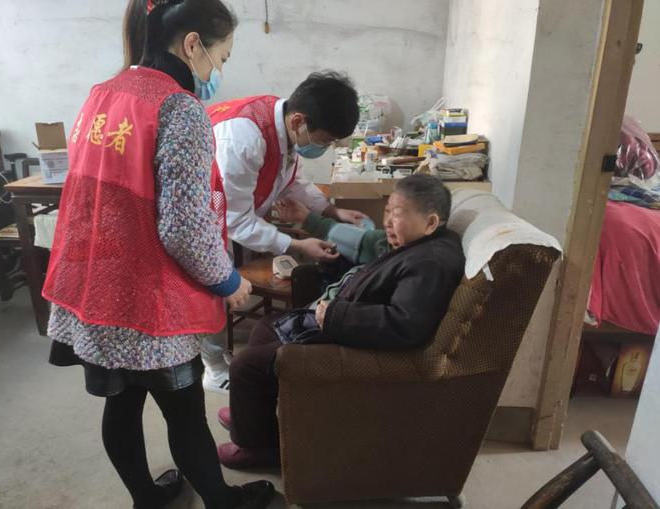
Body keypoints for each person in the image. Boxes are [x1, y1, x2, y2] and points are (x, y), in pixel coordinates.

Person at [42, 1, 274, 507]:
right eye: (222, 57)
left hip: (94, 285)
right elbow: (184, 227)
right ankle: (222, 502)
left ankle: (146, 499)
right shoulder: (179, 108)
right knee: (185, 412)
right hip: (147, 302)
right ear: (193, 45)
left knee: (121, 405)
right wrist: (229, 281)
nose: (217, 71)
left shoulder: (103, 93)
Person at [215, 175, 466, 469]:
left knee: (245, 366)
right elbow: (366, 248)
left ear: (431, 222)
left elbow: (404, 323)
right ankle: (254, 416)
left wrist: (336, 315)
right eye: (386, 211)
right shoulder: (414, 244)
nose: (387, 221)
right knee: (266, 326)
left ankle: (256, 448)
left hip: (350, 340)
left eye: (396, 214)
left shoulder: (431, 263)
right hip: (344, 320)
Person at [200, 71, 367, 393]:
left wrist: (332, 211)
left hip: (229, 212)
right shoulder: (244, 139)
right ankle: (214, 369)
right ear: (299, 121)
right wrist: (299, 245)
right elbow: (236, 221)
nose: (325, 147)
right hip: (209, 219)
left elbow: (294, 181)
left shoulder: (284, 122)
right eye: (325, 141)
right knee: (215, 290)